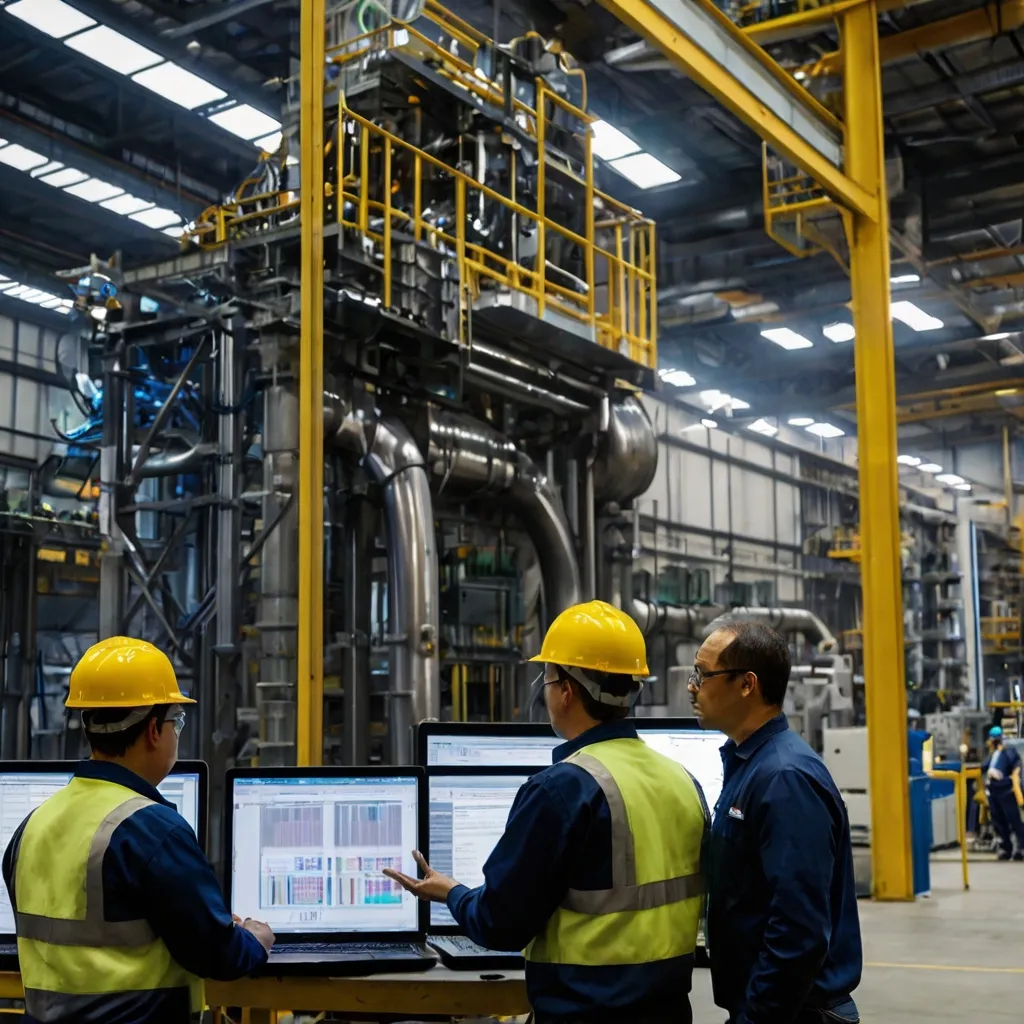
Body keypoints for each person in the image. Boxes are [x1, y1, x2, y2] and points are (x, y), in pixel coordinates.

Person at [384, 600, 709, 1024]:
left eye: (548, 677)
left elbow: (500, 924)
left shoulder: (561, 790)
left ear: (567, 691)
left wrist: (452, 894)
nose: (546, 689)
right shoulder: (684, 781)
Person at [2, 636, 275, 1024]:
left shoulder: (30, 827)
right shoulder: (154, 831)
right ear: (152, 730)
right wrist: (255, 939)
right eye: (175, 720)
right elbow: (218, 955)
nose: (176, 731)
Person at [690, 621, 862, 1024]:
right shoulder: (751, 765)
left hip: (792, 1013)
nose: (691, 686)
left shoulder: (784, 778)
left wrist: (758, 1016)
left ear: (747, 684)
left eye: (703, 674)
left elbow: (798, 930)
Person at [982, 725, 1024, 861]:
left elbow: (1015, 766)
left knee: (1014, 821)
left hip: (1006, 790)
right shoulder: (993, 754)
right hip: (993, 790)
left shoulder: (1008, 752)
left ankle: (1021, 848)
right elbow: (985, 766)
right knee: (999, 822)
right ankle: (1006, 848)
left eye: (992, 739)